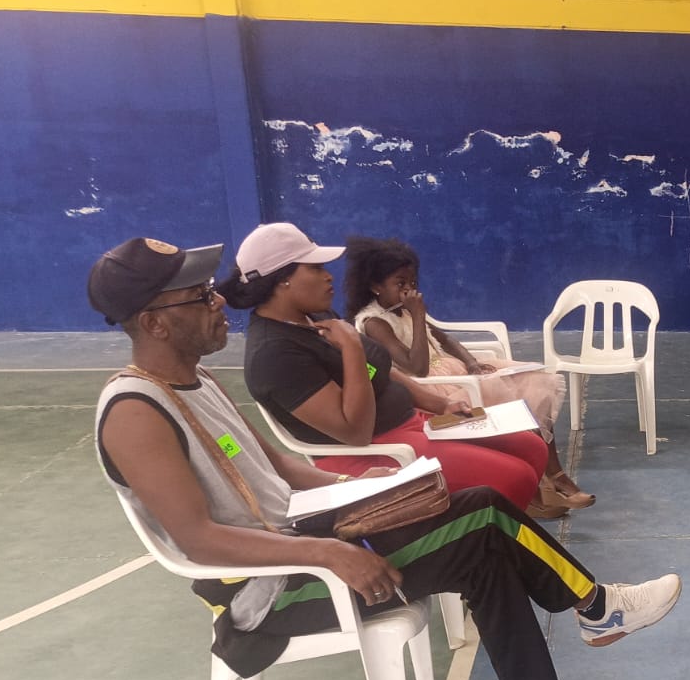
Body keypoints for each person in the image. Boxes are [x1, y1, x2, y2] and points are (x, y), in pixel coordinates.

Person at [88, 236, 681, 680]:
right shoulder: (136, 413)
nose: (218, 302)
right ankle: (594, 609)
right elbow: (197, 541)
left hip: (306, 539)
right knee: (482, 516)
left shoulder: (196, 382)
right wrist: (327, 553)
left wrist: (363, 488)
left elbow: (278, 467)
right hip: (272, 593)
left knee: (479, 527)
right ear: (154, 323)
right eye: (199, 297)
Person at [222, 222, 566, 521]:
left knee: (531, 447)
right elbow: (354, 432)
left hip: (413, 423)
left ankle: (497, 528)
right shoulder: (274, 355)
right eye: (315, 268)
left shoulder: (316, 316)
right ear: (282, 280)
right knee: (513, 476)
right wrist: (352, 349)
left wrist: (439, 404)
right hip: (373, 451)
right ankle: (483, 545)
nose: (328, 276)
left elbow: (382, 370)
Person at [341, 235, 592, 510]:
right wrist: (418, 315)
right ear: (375, 286)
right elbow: (417, 367)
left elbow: (446, 340)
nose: (409, 290)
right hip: (432, 388)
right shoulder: (374, 322)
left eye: (413, 283)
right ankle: (542, 487)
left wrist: (471, 362)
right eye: (400, 284)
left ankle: (552, 475)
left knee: (531, 381)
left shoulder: (403, 310)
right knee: (512, 396)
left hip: (456, 371)